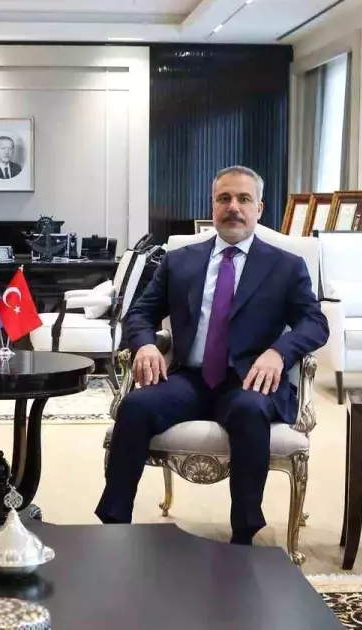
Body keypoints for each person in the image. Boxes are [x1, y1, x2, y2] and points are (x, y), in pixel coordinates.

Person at [95, 165, 327, 545]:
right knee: (135, 406)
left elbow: (314, 323)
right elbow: (139, 313)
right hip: (191, 378)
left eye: (243, 199)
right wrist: (146, 344)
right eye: (224, 198)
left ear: (259, 208)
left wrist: (278, 352)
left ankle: (244, 536)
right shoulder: (179, 261)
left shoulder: (285, 266)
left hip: (249, 380)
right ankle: (113, 527)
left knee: (250, 411)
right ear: (213, 206)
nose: (233, 207)